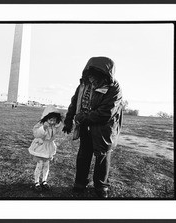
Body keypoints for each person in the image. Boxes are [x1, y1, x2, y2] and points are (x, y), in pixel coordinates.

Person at [62, 56, 123, 198]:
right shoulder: (83, 85)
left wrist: (83, 118)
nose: (92, 80)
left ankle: (101, 186)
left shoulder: (114, 88)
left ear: (105, 75)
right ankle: (80, 183)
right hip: (85, 127)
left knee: (102, 157)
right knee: (83, 155)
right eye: (90, 76)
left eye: (95, 77)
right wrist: (69, 120)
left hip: (104, 129)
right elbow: (74, 103)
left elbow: (106, 112)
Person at [28, 105, 63, 192]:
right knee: (39, 165)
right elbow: (36, 134)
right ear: (46, 118)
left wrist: (62, 121)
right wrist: (43, 128)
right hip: (41, 147)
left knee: (46, 165)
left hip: (49, 147)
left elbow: (60, 128)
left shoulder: (55, 126)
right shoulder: (41, 124)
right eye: (50, 120)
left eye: (54, 120)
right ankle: (36, 182)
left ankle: (44, 181)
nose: (52, 122)